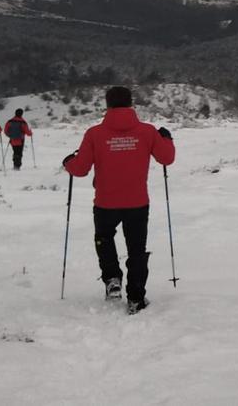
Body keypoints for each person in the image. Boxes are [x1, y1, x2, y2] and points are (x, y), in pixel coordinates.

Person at [63, 86, 175, 315]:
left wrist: (68, 163)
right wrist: (167, 138)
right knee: (136, 248)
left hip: (105, 201)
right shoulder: (147, 131)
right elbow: (167, 158)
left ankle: (112, 277)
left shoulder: (94, 133)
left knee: (104, 239)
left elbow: (81, 169)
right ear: (131, 103)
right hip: (137, 202)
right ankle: (136, 298)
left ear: (108, 104)